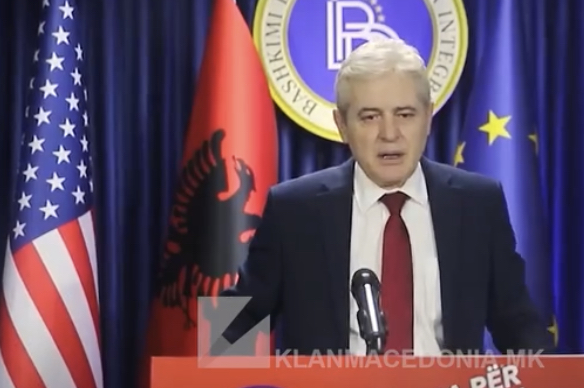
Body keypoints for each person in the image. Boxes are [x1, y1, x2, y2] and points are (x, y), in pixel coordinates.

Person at [217, 38, 552, 355]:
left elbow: (519, 326)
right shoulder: (294, 211)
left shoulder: (478, 204)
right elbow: (232, 330)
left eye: (405, 115)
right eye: (370, 117)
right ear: (342, 125)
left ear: (428, 118)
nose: (389, 134)